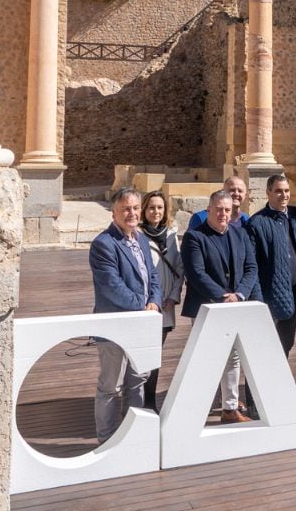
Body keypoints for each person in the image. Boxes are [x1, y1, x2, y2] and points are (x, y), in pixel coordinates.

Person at [89, 188, 162, 442]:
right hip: (115, 327)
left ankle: (133, 435)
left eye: (134, 208)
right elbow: (111, 286)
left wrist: (154, 300)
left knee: (137, 380)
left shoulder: (141, 238)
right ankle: (107, 439)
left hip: (140, 324)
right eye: (126, 209)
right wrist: (142, 308)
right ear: (114, 213)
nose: (132, 213)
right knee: (111, 386)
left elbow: (152, 275)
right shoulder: (103, 244)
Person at [181, 190, 259, 424]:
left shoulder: (240, 233)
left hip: (235, 305)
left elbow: (251, 268)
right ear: (209, 210)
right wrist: (224, 296)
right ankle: (196, 408)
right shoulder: (195, 237)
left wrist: (240, 294)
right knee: (205, 357)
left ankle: (230, 408)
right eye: (218, 209)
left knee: (233, 357)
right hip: (208, 306)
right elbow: (197, 274)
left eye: (227, 210)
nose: (223, 214)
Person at [245, 174, 296, 356]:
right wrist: (257, 299)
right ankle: (255, 386)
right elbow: (252, 265)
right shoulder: (256, 223)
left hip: (294, 293)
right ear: (268, 193)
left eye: (287, 191)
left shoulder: (294, 220)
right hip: (268, 295)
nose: (284, 195)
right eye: (278, 191)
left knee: (285, 344)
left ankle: (278, 385)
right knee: (263, 349)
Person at [138, 189, 184, 412]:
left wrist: (174, 296)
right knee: (142, 355)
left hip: (166, 304)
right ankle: (136, 401)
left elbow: (179, 268)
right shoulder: (138, 236)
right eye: (151, 208)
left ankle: (150, 401)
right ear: (144, 210)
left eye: (159, 208)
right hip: (146, 305)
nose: (156, 212)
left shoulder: (171, 234)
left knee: (155, 355)